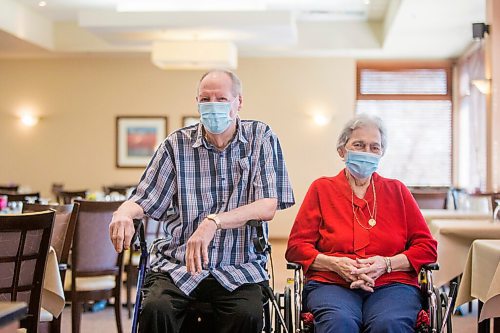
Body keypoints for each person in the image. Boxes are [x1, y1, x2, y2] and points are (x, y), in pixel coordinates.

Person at [109, 69, 295, 333]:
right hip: (178, 264)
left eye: (221, 99)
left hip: (238, 265)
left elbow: (267, 205)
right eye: (205, 99)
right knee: (155, 308)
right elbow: (143, 198)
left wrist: (214, 222)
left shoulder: (261, 138)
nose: (212, 106)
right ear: (196, 102)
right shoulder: (175, 145)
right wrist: (123, 214)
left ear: (238, 102)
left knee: (247, 314)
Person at [285, 115, 437, 333]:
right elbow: (296, 248)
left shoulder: (397, 191)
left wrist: (386, 264)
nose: (366, 152)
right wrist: (335, 264)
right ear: (342, 151)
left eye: (374, 147)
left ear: (381, 153)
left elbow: (427, 248)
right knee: (339, 323)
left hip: (392, 283)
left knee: (389, 324)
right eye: (358, 145)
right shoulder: (322, 189)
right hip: (332, 283)